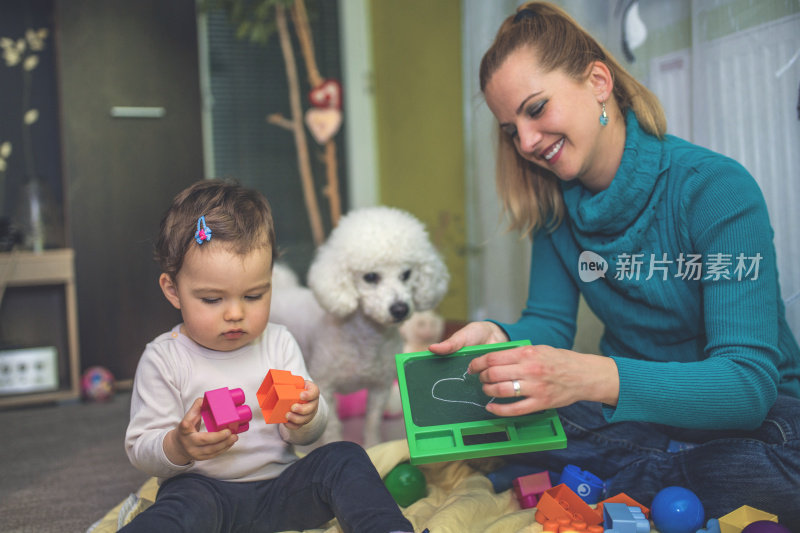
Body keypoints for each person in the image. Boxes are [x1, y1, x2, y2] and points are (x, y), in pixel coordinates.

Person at [430, 1, 800, 526]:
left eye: (536, 109)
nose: (528, 142)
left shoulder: (715, 189)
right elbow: (549, 326)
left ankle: (623, 476)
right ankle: (657, 473)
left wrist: (588, 376)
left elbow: (745, 387)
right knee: (508, 413)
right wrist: (498, 336)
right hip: (637, 415)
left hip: (754, 420)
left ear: (598, 81)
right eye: (512, 130)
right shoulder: (555, 208)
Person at [121, 179, 414, 533]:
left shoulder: (279, 342)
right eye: (212, 300)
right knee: (174, 512)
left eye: (254, 295)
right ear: (173, 290)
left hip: (282, 489)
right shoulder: (163, 359)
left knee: (345, 456)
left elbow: (302, 436)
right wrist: (178, 445)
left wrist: (307, 417)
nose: (235, 314)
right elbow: (141, 447)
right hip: (203, 494)